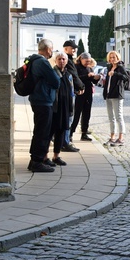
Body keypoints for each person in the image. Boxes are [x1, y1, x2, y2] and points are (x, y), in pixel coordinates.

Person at [27, 39, 60, 173]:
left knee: (40, 131)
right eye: (52, 49)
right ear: (47, 50)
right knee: (42, 132)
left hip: (38, 99)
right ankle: (37, 161)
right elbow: (56, 81)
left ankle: (35, 160)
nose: (52, 52)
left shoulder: (33, 60)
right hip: (43, 100)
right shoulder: (42, 62)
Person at [48, 52, 73, 166]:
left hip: (65, 107)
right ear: (55, 61)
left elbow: (71, 91)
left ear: (66, 61)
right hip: (55, 107)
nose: (61, 61)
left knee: (61, 132)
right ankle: (44, 156)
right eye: (59, 59)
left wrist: (71, 108)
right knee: (50, 132)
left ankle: (56, 156)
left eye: (63, 59)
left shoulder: (68, 74)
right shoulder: (53, 73)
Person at [70, 53, 100, 143]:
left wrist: (96, 78)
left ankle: (84, 133)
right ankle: (71, 133)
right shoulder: (76, 67)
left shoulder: (89, 68)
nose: (88, 63)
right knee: (76, 114)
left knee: (87, 114)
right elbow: (76, 79)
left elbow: (93, 81)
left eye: (89, 61)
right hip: (79, 93)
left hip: (88, 93)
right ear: (81, 59)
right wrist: (87, 76)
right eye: (86, 61)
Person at [61, 40, 84, 152]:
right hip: (68, 92)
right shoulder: (67, 60)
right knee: (68, 117)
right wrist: (81, 86)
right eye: (72, 48)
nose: (74, 50)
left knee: (67, 117)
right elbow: (73, 75)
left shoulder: (69, 59)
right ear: (66, 49)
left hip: (69, 91)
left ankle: (63, 141)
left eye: (75, 48)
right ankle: (65, 142)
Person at [102, 51, 129, 146]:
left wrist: (116, 74)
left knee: (118, 117)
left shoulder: (120, 67)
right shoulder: (109, 67)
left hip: (117, 95)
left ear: (117, 58)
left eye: (114, 57)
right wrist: (105, 93)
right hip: (109, 95)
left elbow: (126, 77)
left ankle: (121, 138)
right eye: (111, 57)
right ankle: (112, 137)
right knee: (111, 117)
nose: (112, 59)